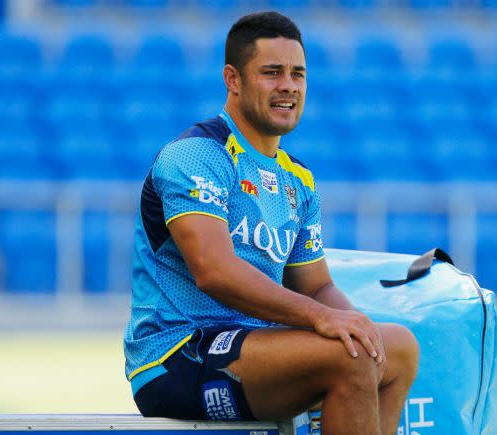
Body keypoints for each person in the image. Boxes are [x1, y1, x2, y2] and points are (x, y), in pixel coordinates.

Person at [124, 11, 419, 435]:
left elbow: (316, 286)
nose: (288, 86)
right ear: (233, 79)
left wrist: (357, 326)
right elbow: (214, 271)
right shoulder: (195, 155)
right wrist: (319, 318)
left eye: (298, 74)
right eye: (271, 72)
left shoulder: (298, 179)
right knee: (347, 359)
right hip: (178, 354)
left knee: (396, 350)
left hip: (256, 349)